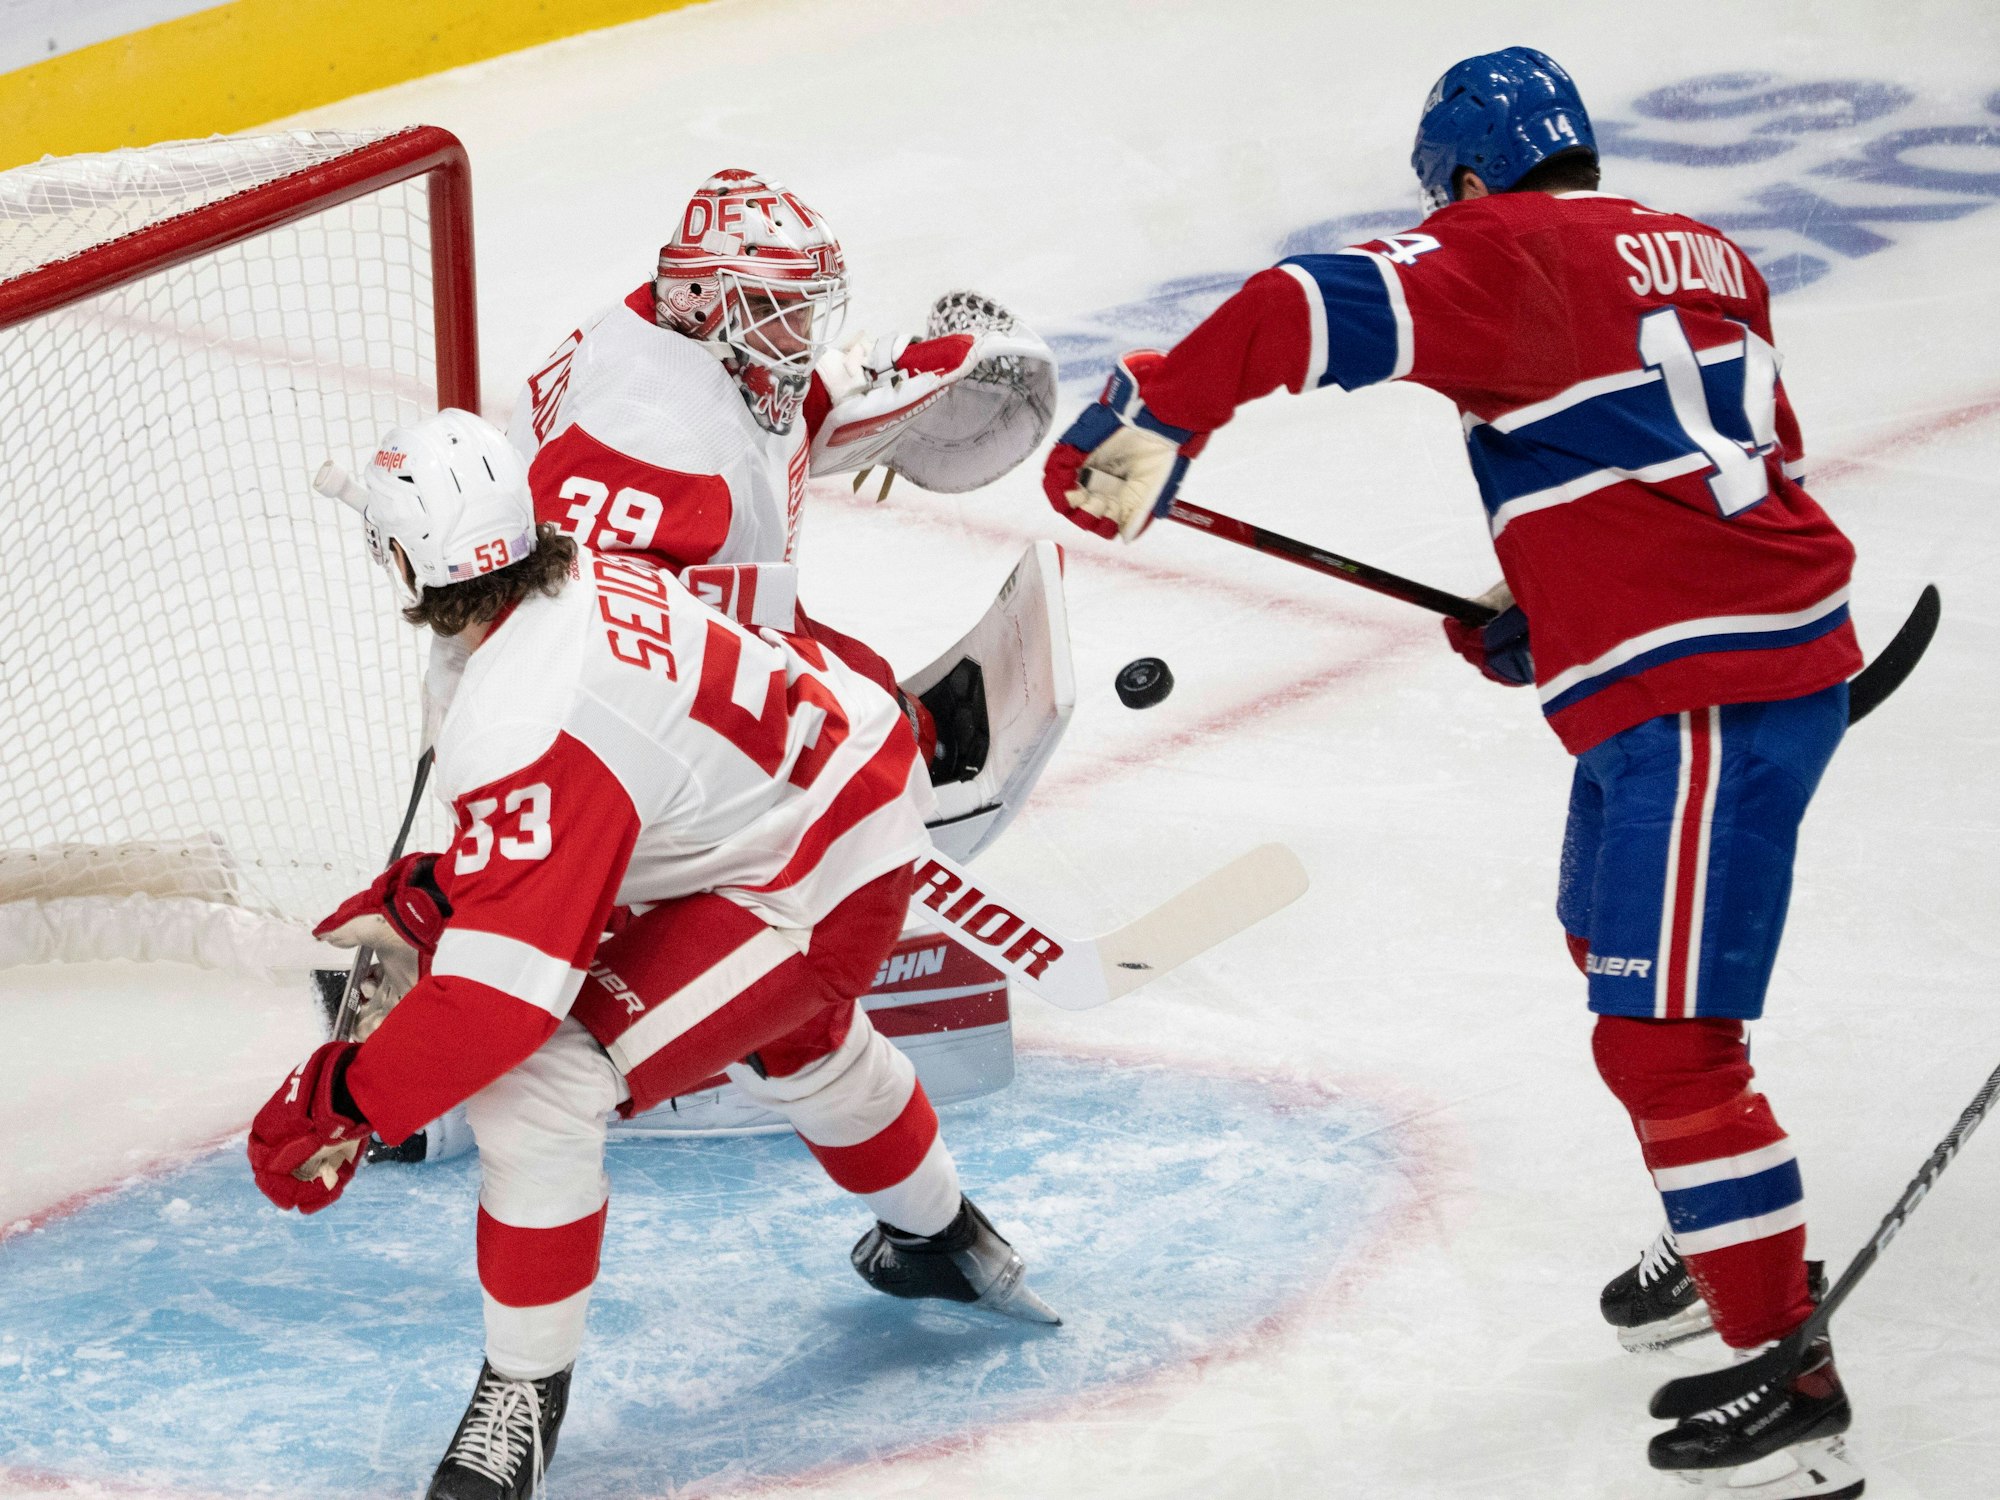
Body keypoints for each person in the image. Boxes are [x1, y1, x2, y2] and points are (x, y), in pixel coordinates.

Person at [1041, 47, 1863, 1500]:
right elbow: (1709, 458)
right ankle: (1724, 1202)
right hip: (1729, 650)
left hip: (1703, 694)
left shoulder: (1502, 248)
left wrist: (1158, 416)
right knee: (1610, 942)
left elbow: (1297, 306)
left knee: (1663, 1042)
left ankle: (1785, 1373)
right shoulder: (1706, 252)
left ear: (1468, 184)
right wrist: (1554, 608)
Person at [248, 409, 1055, 1500]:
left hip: (811, 871)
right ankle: (944, 1245)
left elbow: (500, 1013)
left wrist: (341, 1098)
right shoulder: (575, 578)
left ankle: (520, 1404)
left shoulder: (522, 711)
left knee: (541, 1086)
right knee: (798, 1041)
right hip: (810, 789)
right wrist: (440, 894)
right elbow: (610, 805)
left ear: (406, 558)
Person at [507, 166, 1055, 777]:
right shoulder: (646, 430)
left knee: (870, 696)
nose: (799, 336)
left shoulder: (684, 337)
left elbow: (738, 420)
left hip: (639, 648)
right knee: (873, 732)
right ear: (705, 302)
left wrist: (847, 394)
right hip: (574, 733)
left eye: (803, 310)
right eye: (776, 309)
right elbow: (578, 629)